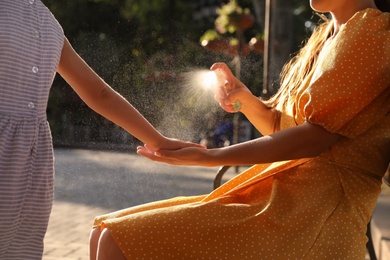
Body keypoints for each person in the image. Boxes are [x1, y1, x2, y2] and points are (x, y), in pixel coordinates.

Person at [91, 0, 390, 259]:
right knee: (103, 232)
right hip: (284, 203)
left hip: (314, 218)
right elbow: (283, 127)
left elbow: (315, 138)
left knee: (116, 240)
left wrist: (210, 157)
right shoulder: (326, 35)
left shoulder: (371, 32)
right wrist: (245, 100)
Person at [0, 1, 202, 259]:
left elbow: (100, 93)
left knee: (20, 250)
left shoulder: (47, 22)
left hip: (31, 161)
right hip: (21, 153)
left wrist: (158, 141)